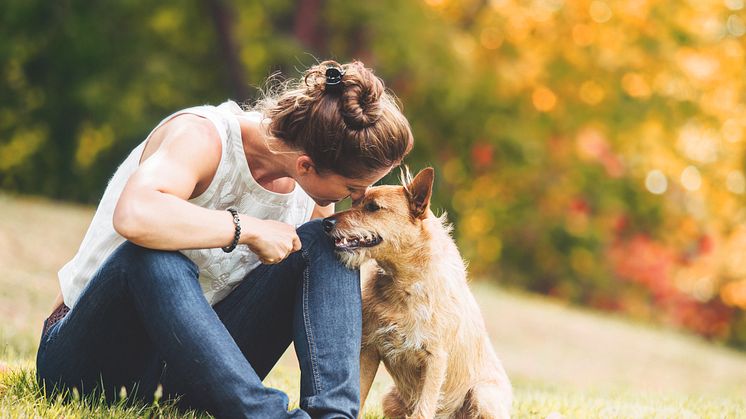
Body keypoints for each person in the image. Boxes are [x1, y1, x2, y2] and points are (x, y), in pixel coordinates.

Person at [35, 60, 413, 418]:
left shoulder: (310, 194)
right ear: (306, 165)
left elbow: (317, 303)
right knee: (153, 257)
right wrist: (245, 228)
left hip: (187, 371)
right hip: (93, 358)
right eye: (352, 187)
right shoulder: (202, 135)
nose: (356, 199)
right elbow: (134, 214)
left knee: (329, 242)